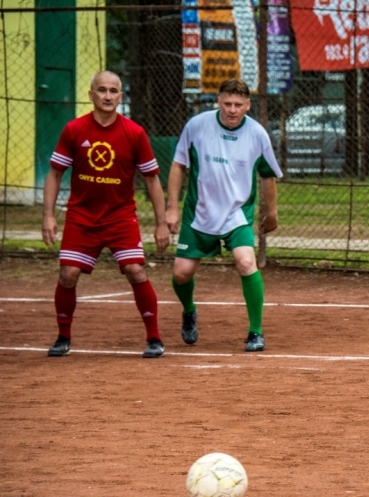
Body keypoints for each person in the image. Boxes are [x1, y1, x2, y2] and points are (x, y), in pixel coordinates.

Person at [41, 70, 169, 358]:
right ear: (91, 95)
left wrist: (161, 224)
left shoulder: (134, 133)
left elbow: (151, 179)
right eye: (102, 90)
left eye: (113, 91)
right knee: (68, 274)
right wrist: (48, 215)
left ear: (121, 97)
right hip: (81, 217)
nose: (108, 96)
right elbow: (55, 173)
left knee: (136, 270)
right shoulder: (74, 130)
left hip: (121, 217)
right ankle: (63, 337)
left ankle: (154, 338)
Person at [166, 78, 281, 352]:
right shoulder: (197, 126)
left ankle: (256, 332)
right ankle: (189, 310)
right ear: (218, 101)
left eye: (238, 105)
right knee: (181, 274)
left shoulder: (257, 134)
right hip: (199, 213)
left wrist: (272, 212)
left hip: (236, 215)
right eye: (227, 103)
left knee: (245, 262)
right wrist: (172, 206)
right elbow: (178, 165)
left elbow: (267, 176)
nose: (232, 110)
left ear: (247, 106)